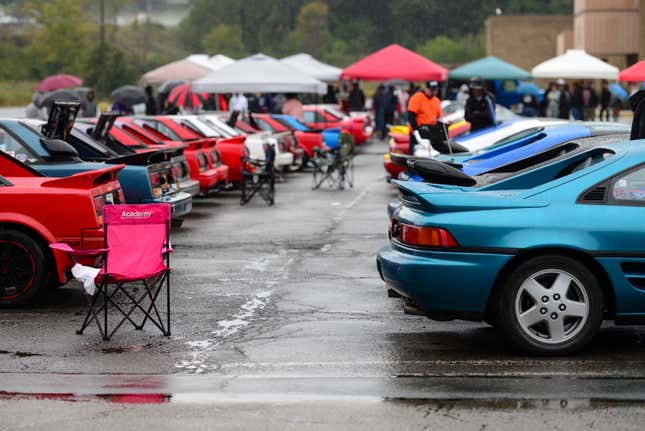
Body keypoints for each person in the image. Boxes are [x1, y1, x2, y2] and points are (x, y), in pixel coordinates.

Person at [406, 80, 443, 154]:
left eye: (435, 90)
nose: (434, 92)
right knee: (416, 153)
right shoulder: (417, 97)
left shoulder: (436, 100)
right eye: (432, 90)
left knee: (430, 153)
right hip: (418, 131)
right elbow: (411, 115)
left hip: (431, 131)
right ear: (426, 89)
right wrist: (416, 130)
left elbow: (439, 118)